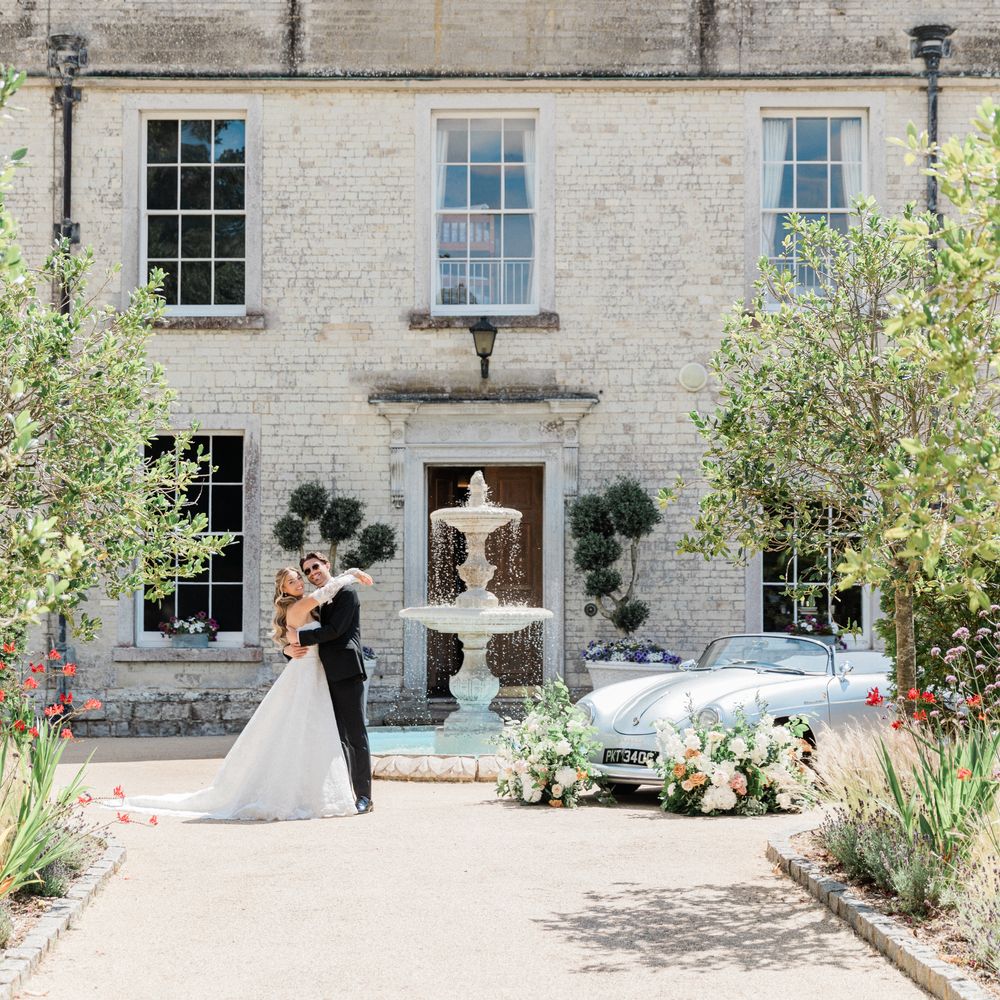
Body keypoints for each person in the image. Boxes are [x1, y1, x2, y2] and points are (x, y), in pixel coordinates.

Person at [119, 565, 372, 821]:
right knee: (301, 731)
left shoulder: (308, 606)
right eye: (292, 580)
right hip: (307, 674)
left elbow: (312, 627)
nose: (298, 582)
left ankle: (317, 791)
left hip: (318, 673)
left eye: (299, 578)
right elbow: (324, 594)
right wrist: (352, 573)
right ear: (282, 589)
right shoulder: (299, 606)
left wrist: (288, 647)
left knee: (316, 733)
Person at [285, 552, 374, 814]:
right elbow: (291, 628)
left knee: (356, 736)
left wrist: (299, 638)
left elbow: (334, 631)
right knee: (338, 738)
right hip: (323, 676)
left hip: (346, 672)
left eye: (316, 567)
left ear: (327, 566)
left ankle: (365, 797)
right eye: (308, 571)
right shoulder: (317, 601)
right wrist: (288, 648)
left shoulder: (346, 593)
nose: (313, 572)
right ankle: (345, 792)